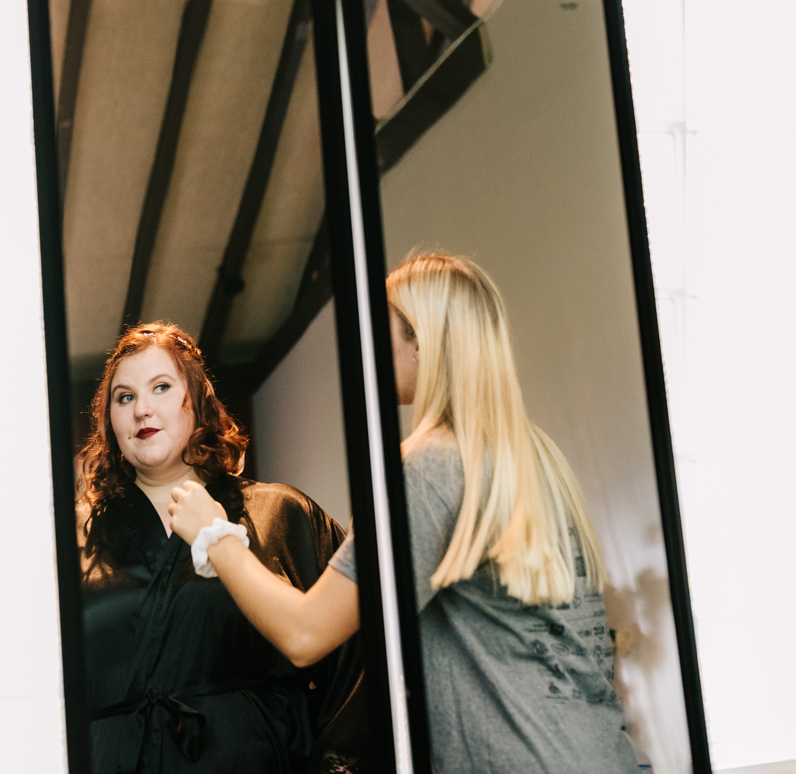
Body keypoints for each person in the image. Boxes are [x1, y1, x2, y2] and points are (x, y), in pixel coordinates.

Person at [169, 253, 637, 774]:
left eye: (382, 328)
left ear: (422, 341)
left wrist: (214, 536)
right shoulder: (537, 456)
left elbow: (305, 635)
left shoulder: (430, 467)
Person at [77, 321, 369, 774]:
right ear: (109, 422)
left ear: (197, 401)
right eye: (125, 397)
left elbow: (356, 659)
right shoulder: (79, 545)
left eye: (160, 387)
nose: (142, 410)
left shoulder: (279, 514)